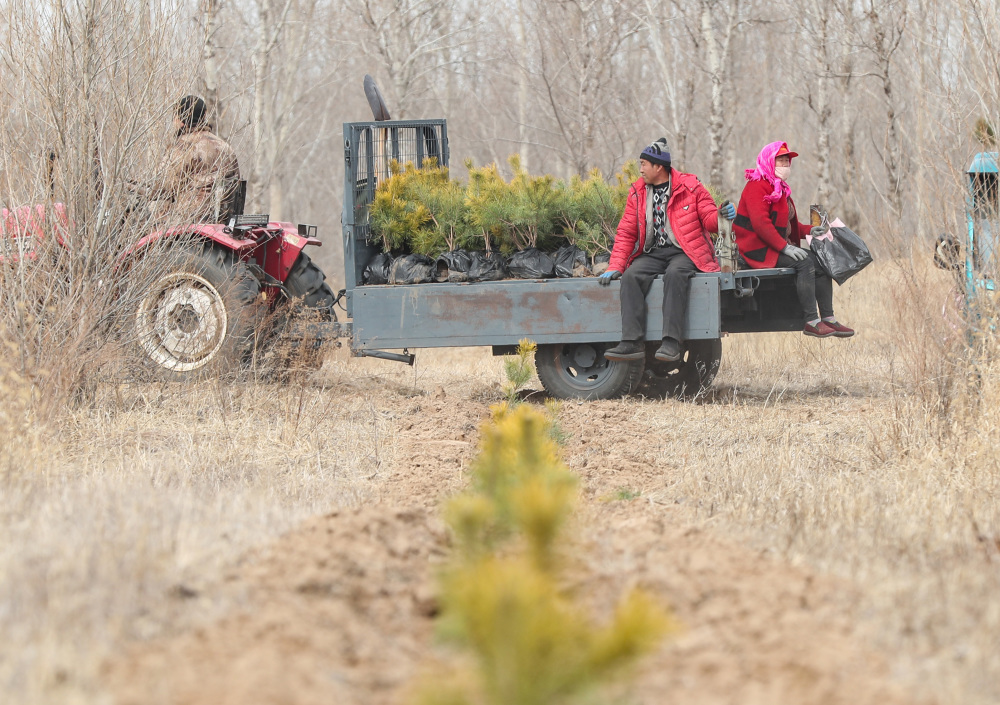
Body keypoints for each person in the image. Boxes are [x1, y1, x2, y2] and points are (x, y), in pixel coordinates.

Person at [600, 138, 735, 362]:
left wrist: (721, 214)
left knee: (676, 275)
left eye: (644, 164)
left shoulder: (691, 187)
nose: (640, 169)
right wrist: (615, 266)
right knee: (631, 276)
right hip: (653, 252)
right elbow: (626, 232)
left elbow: (709, 220)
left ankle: (671, 342)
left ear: (658, 167)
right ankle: (631, 342)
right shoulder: (637, 192)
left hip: (685, 251)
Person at [733, 142, 854, 338]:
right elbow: (761, 224)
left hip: (775, 247)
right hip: (757, 250)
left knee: (821, 263)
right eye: (780, 160)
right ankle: (811, 321)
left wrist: (809, 230)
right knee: (804, 262)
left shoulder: (779, 188)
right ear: (769, 162)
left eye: (787, 161)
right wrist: (785, 248)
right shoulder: (756, 186)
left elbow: (787, 225)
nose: (786, 164)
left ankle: (828, 319)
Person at [138, 95, 240, 223]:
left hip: (188, 224)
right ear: (204, 116)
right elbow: (237, 185)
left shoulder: (183, 147)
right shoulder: (226, 148)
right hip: (224, 223)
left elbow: (161, 187)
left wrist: (136, 188)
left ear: (179, 119)